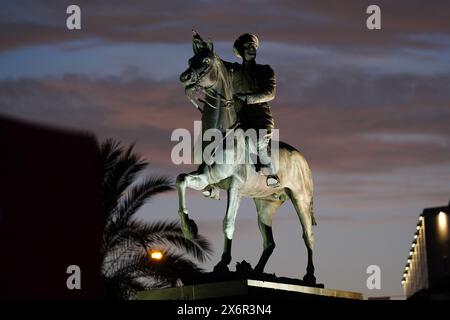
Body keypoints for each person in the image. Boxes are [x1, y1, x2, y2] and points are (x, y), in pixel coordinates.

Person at [229, 33, 280, 188]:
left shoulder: (265, 70)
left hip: (259, 118)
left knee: (259, 143)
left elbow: (270, 93)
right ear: (240, 50)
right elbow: (213, 64)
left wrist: (246, 98)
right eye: (247, 46)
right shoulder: (233, 70)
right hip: (237, 118)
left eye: (254, 47)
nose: (251, 49)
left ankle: (272, 175)